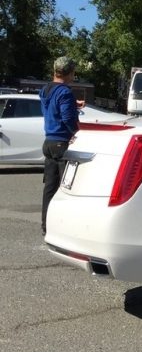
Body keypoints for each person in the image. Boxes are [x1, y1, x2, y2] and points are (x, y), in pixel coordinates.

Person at [40, 56, 84, 235]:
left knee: (49, 187)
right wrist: (76, 133)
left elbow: (54, 106)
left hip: (48, 141)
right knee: (66, 188)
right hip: (61, 142)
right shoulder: (65, 92)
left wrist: (73, 104)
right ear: (70, 73)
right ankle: (64, 227)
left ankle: (46, 225)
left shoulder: (45, 90)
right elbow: (66, 118)